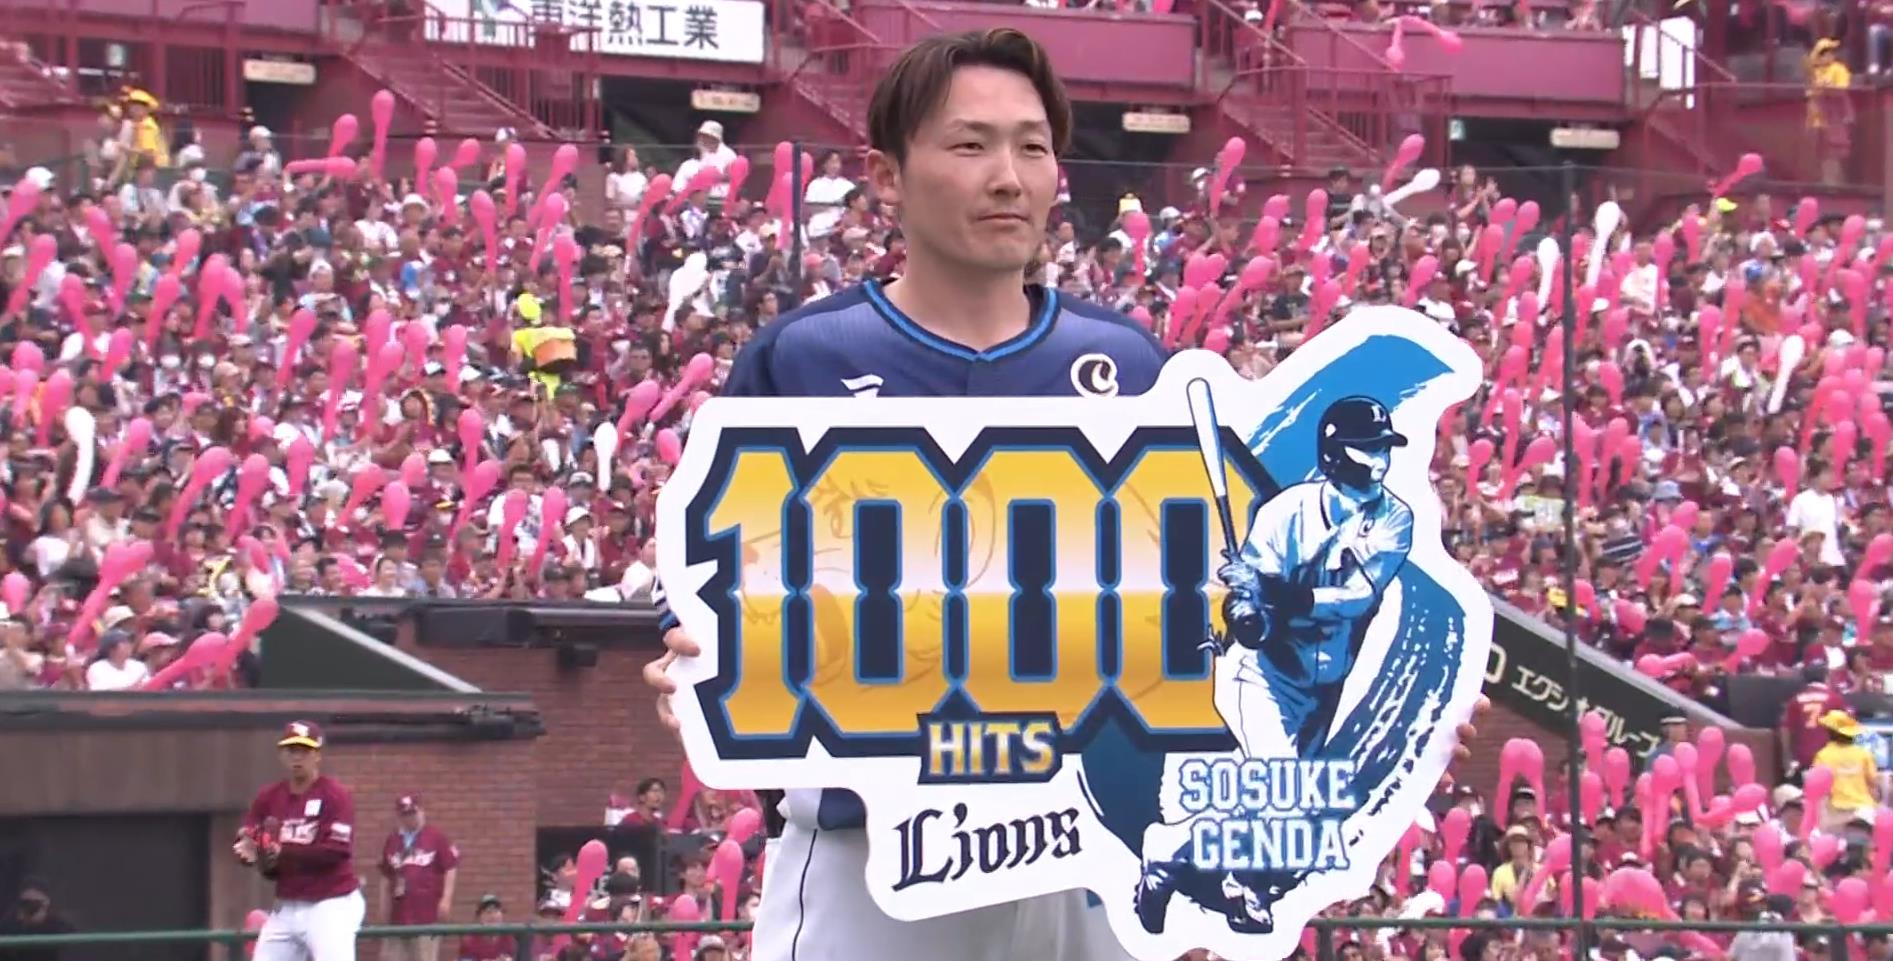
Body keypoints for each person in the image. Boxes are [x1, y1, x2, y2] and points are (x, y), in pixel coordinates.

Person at [640, 28, 1481, 961]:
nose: (1007, 177)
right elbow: (707, 583)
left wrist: (1409, 688)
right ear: (885, 176)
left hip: (1084, 859)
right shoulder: (801, 359)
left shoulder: (1131, 365)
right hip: (868, 854)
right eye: (970, 145)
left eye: (1031, 146)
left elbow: (1200, 601)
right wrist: (692, 655)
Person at [237, 721, 365, 961]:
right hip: (288, 904)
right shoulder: (270, 796)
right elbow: (250, 831)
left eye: (304, 750)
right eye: (291, 750)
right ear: (282, 755)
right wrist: (248, 846)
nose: (297, 757)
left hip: (332, 902)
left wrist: (281, 852)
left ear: (317, 754)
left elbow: (335, 852)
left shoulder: (335, 794)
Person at [380, 794, 460, 961]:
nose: (410, 818)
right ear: (399, 816)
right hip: (398, 917)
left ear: (421, 812)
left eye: (413, 813)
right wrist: (383, 908)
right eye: (405, 814)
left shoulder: (435, 836)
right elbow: (386, 876)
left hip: (426, 915)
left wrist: (446, 899)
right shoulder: (393, 840)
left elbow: (450, 867)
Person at [1811, 710, 1880, 830]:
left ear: (1830, 732)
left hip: (1835, 813)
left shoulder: (1823, 755)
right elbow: (1873, 784)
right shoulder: (1863, 754)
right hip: (1863, 811)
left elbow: (1817, 788)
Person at [0, 877, 74, 961]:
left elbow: (70, 936)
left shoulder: (53, 919)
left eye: (36, 903)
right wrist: (23, 923)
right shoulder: (13, 917)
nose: (31, 906)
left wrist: (44, 918)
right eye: (27, 902)